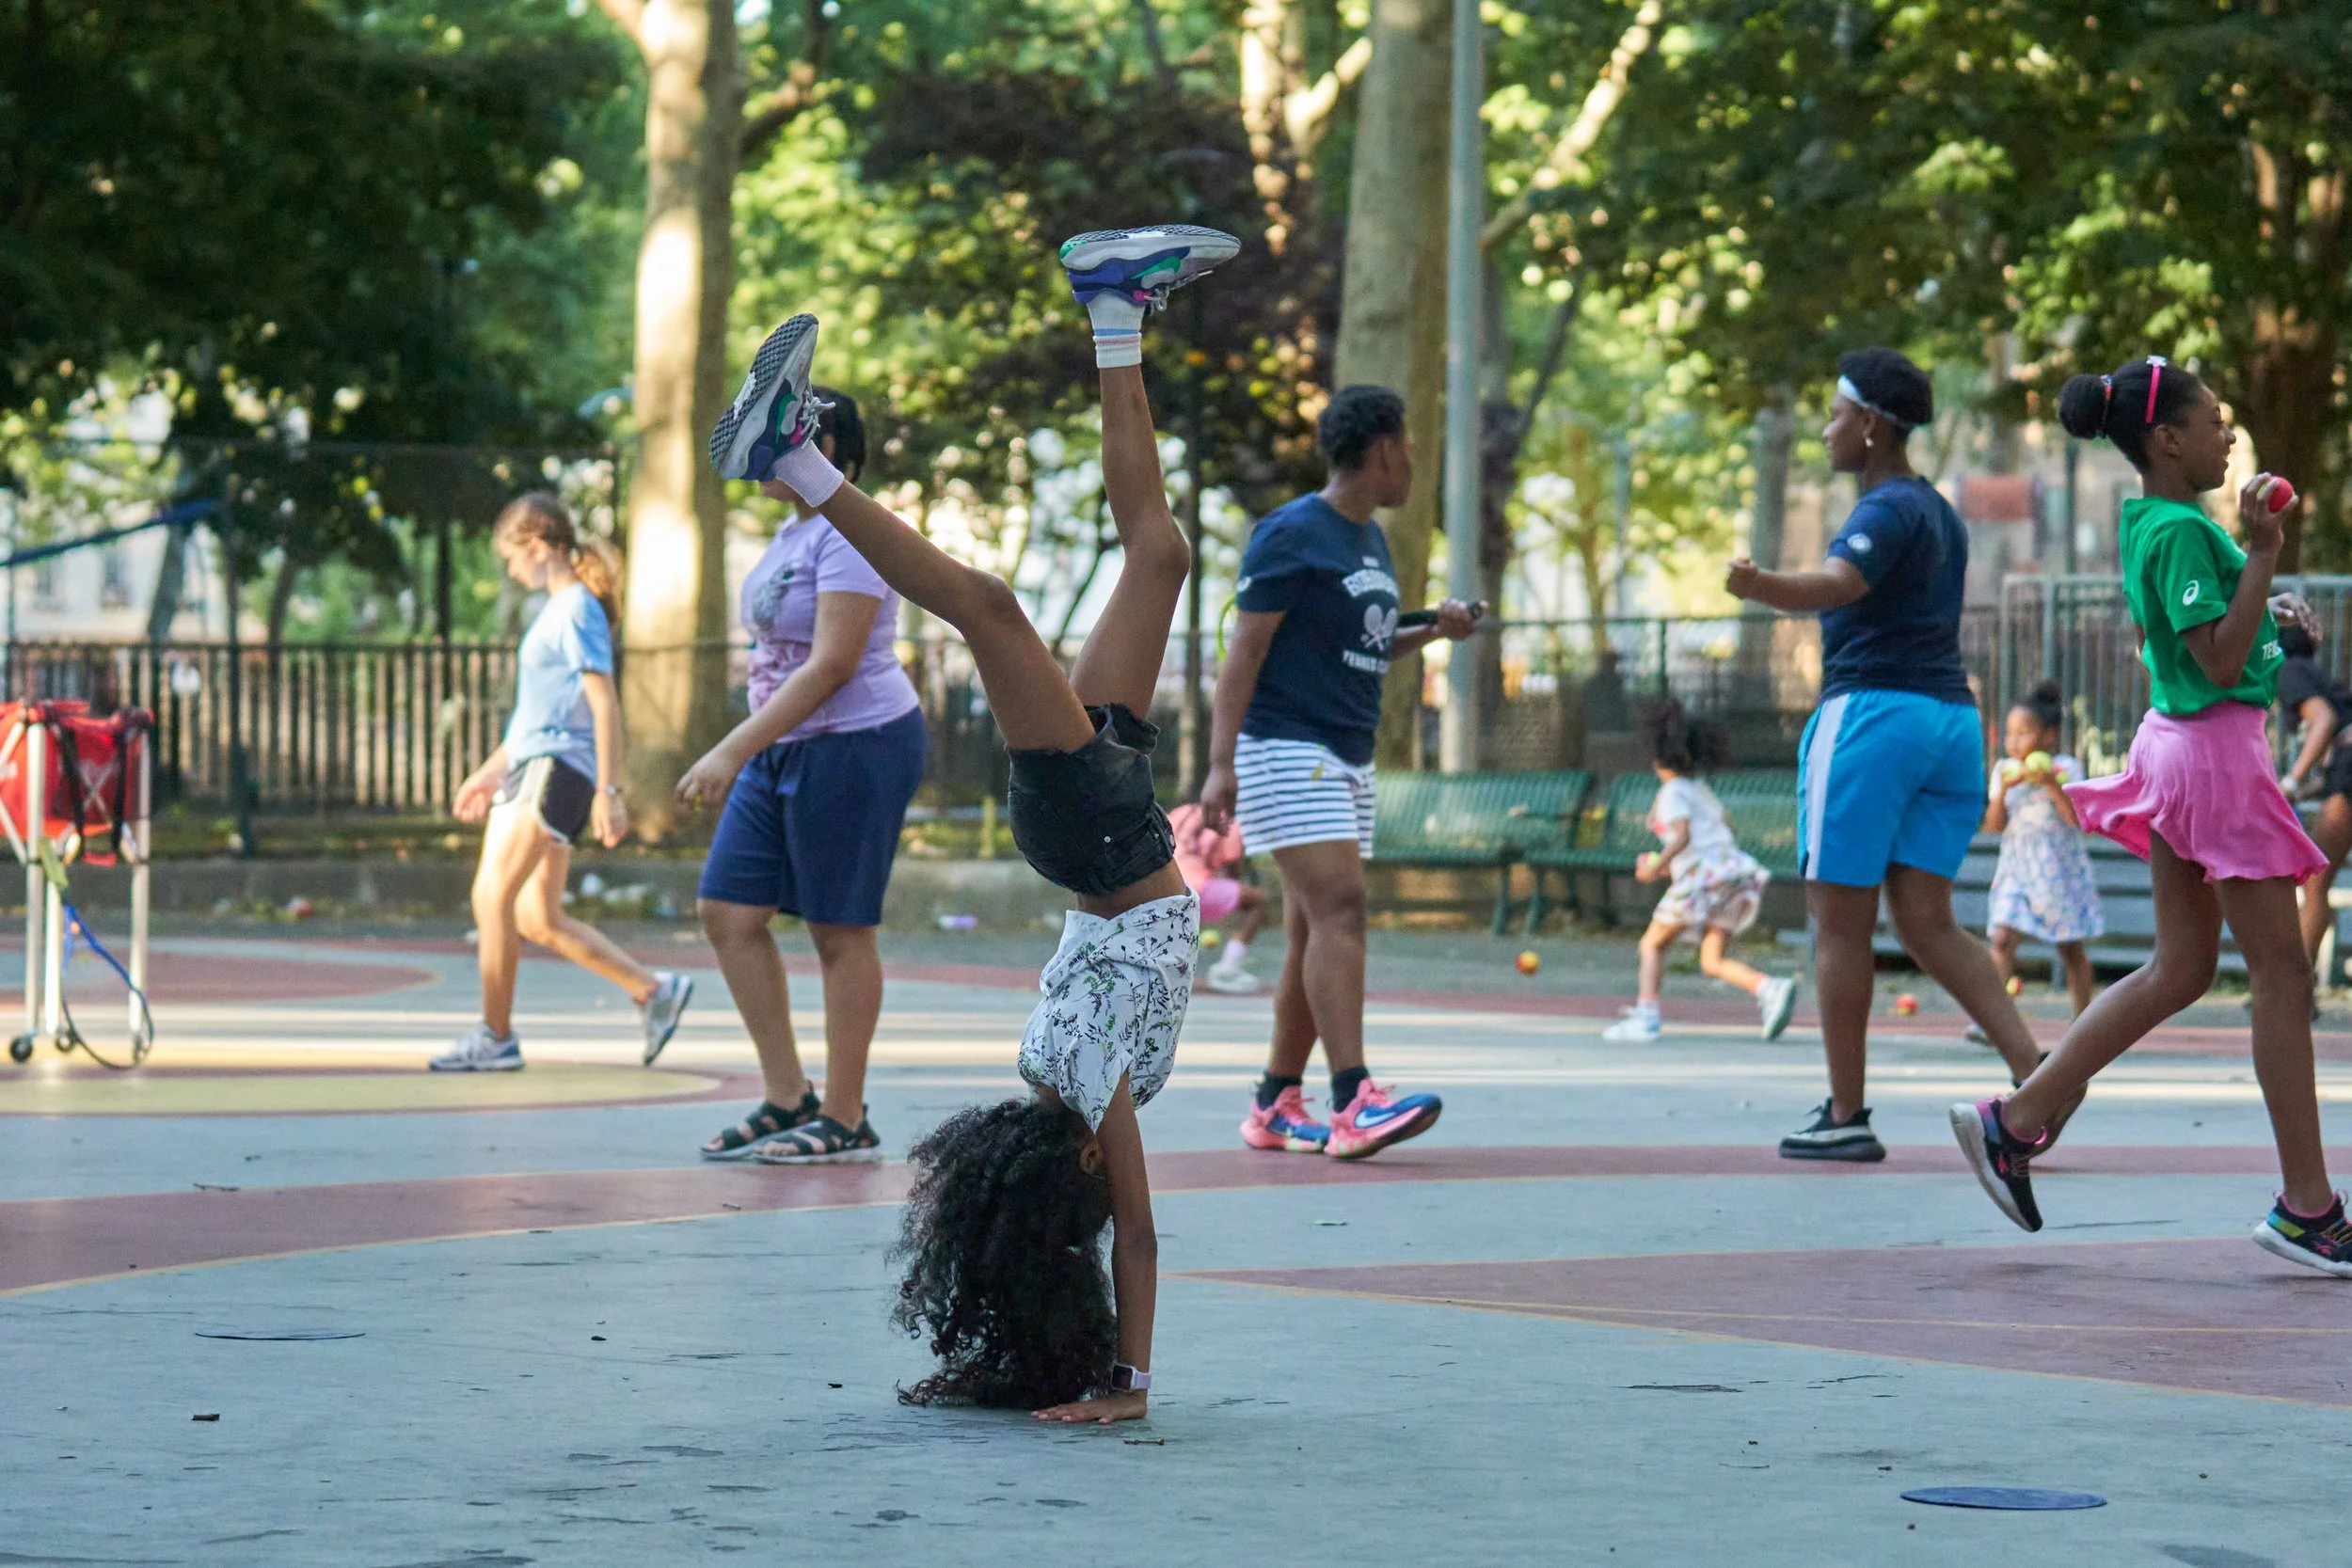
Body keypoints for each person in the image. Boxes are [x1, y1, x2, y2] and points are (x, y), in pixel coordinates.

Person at [710, 221, 1237, 1420]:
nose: (1122, 1187)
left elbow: (1141, 1241)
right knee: (1157, 551)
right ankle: (1113, 307)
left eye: (1098, 1190)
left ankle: (790, 459)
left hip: (1095, 833)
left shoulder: (1085, 1078)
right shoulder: (1072, 1077)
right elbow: (1124, 1225)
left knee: (989, 610)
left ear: (1080, 1170)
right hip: (1110, 821)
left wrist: (1130, 1383)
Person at [1952, 356, 2350, 1275]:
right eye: (2214, 420)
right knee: (2282, 975)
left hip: (2186, 748)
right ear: (2166, 439)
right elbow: (2212, 660)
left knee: (2180, 966)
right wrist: (2261, 553)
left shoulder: (2161, 522)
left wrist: (2269, 609)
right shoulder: (2176, 527)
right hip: (2211, 757)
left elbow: (2213, 638)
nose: (2227, 434)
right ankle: (2307, 1207)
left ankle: (2014, 1122)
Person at [1726, 348, 2055, 1161]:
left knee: (1838, 921)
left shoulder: (1883, 511)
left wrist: (1758, 584)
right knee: (1928, 920)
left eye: (1836, 414)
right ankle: (2040, 1077)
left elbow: (1840, 583)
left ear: (1871, 423)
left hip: (1874, 717)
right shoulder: (1940, 512)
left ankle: (1845, 1114)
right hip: (1950, 722)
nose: (1828, 430)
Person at [1200, 385, 1478, 1160]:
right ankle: (1353, 1097)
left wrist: (1432, 628)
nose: (1414, 466)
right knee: (1342, 908)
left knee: (1306, 928)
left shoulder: (1371, 542)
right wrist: (1220, 765)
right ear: (1384, 450)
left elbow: (1365, 643)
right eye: (1411, 452)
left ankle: (1275, 1101)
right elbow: (1245, 652)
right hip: (1288, 746)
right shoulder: (1292, 533)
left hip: (1347, 754)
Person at [679, 388, 928, 1163]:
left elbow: (833, 664)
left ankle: (847, 1113)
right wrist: (750, 747)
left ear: (825, 452)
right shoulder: (792, 533)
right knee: (729, 911)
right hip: (782, 744)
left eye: (780, 441)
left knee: (838, 930)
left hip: (855, 742)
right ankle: (790, 1095)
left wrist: (730, 748)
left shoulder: (851, 530)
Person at [432, 495, 692, 1071]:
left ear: (537, 545)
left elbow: (603, 703)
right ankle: (654, 991)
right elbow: (538, 716)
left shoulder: (576, 608)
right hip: (539, 764)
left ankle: (495, 1037)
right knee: (535, 918)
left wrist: (610, 789)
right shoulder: (556, 609)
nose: (509, 568)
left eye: (511, 555)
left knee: (490, 895)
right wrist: (488, 772)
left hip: (555, 772)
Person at [1602, 700, 1799, 1043]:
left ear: (1657, 756)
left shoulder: (1672, 793)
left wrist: (1658, 866)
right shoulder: (1701, 791)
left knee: (1652, 944)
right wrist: (1674, 866)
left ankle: (1646, 1017)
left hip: (1705, 876)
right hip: (1732, 872)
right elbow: (1723, 830)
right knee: (1711, 959)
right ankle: (1770, 987)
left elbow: (1682, 836)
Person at [1981, 681, 2103, 1018]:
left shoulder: (2066, 769)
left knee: (2071, 949)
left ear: (2048, 736)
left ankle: (2084, 1020)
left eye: (2024, 733)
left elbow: (2075, 820)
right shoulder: (2003, 772)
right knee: (2003, 938)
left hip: (2057, 871)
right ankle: (1992, 1020)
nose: (2014, 741)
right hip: (2017, 868)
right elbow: (1993, 826)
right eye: (2010, 733)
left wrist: (2051, 783)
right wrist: (2003, 791)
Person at [2273, 621, 2352, 970]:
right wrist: (2304, 788)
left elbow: (2324, 721)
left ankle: (2295, 987)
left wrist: (2290, 781)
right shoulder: (2310, 671)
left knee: (2317, 883)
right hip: (2342, 772)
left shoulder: (2287, 670)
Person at [1167, 800, 1268, 994]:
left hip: (1168, 883)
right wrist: (1230, 899)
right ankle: (1228, 968)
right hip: (1198, 886)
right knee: (1256, 900)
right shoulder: (1227, 822)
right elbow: (1233, 870)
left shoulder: (1181, 812)